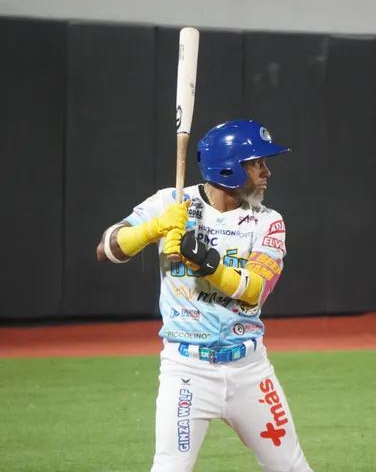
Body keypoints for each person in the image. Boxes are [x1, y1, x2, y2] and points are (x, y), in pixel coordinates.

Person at [96, 119, 314, 471]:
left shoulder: (268, 221)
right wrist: (154, 228)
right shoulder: (171, 202)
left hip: (250, 371)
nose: (266, 172)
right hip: (187, 370)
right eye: (256, 163)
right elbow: (108, 249)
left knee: (293, 468)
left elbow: (254, 291)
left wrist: (203, 260)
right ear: (228, 167)